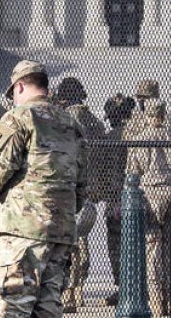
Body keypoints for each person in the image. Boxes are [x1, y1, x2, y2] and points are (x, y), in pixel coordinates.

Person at [0, 61, 90, 318]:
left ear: (19, 86)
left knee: (8, 306)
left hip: (22, 231)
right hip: (60, 231)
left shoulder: (18, 117)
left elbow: (0, 167)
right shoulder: (72, 124)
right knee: (47, 308)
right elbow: (82, 183)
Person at [125, 101, 171, 318]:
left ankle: (157, 305)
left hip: (150, 195)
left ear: (147, 116)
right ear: (164, 114)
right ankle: (170, 301)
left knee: (152, 251)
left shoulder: (139, 140)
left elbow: (132, 175)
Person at [56, 77, 106, 313]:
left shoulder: (65, 120)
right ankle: (78, 290)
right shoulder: (95, 122)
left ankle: (69, 294)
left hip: (70, 186)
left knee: (69, 245)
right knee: (82, 243)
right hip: (90, 188)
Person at [98, 93, 135, 308]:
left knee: (116, 245)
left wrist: (108, 198)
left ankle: (124, 288)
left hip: (116, 198)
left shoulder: (112, 137)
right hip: (138, 197)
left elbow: (107, 172)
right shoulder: (137, 133)